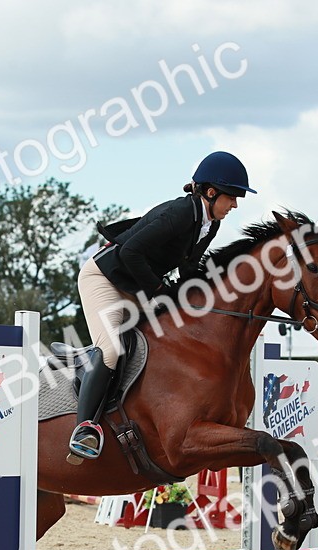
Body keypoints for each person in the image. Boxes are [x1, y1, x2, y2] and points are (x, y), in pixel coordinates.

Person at [67, 151, 255, 463]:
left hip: (137, 283)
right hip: (105, 279)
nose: (234, 205)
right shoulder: (179, 214)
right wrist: (159, 290)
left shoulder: (209, 224)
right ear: (211, 192)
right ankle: (84, 427)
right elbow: (130, 254)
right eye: (232, 197)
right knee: (113, 349)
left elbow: (189, 268)